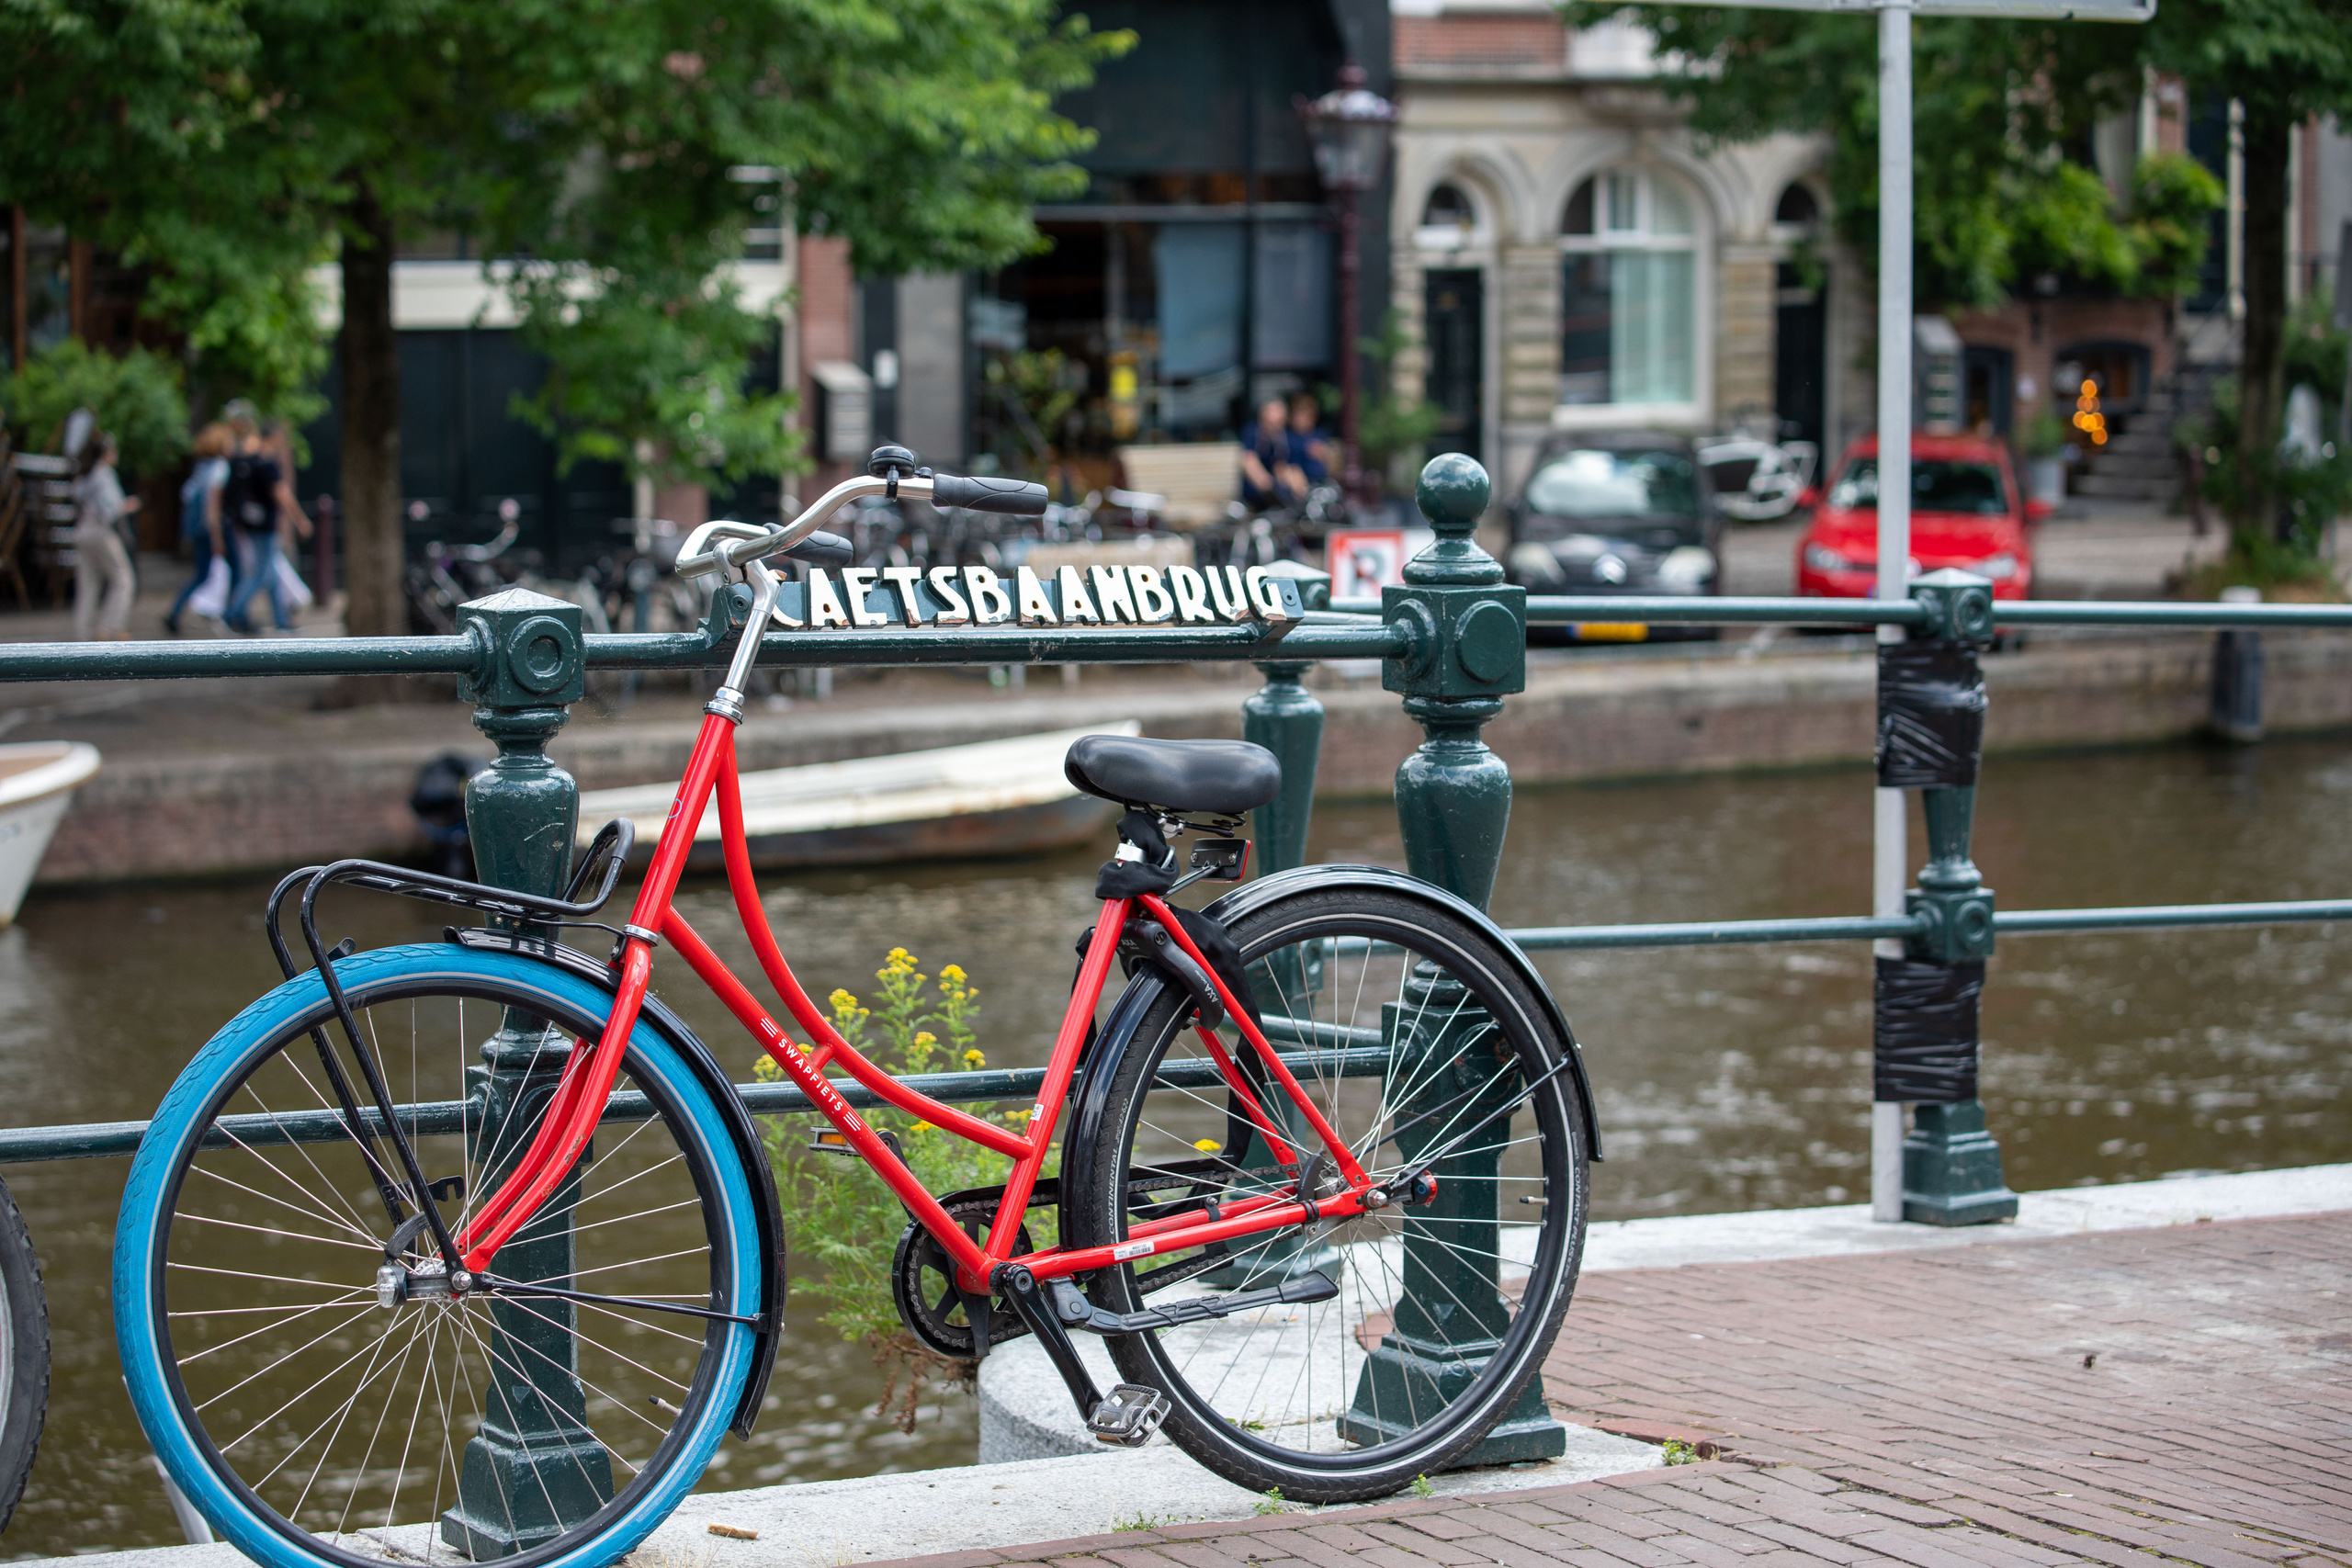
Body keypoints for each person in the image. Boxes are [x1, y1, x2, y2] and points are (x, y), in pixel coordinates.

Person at [221, 418, 311, 633]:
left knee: (270, 573)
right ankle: (232, 614)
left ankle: (281, 619)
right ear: (275, 436)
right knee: (261, 573)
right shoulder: (267, 463)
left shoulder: (251, 460)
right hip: (264, 527)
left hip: (253, 524)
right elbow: (282, 494)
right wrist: (300, 520)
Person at [164, 423, 235, 635]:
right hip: (207, 529)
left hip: (196, 528)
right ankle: (224, 613)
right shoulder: (220, 467)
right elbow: (211, 507)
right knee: (222, 572)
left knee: (201, 574)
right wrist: (217, 537)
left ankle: (176, 613)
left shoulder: (202, 467)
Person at [70, 433, 139, 640]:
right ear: (107, 453)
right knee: (123, 578)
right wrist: (130, 505)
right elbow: (113, 508)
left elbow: (76, 496)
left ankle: (82, 634)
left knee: (88, 584)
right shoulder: (105, 473)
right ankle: (111, 627)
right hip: (101, 531)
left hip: (82, 530)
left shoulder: (86, 472)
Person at [1240, 397, 1307, 510]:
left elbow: (1282, 467)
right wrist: (1273, 488)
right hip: (1255, 495)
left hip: (1276, 496)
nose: (1277, 424)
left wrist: (1299, 490)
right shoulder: (1252, 433)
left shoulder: (1282, 438)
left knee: (1295, 475)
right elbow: (1250, 463)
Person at [1287, 393, 1337, 487]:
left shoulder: (1320, 434)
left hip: (1323, 481)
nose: (1302, 419)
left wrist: (1326, 453)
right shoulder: (1288, 437)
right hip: (1301, 483)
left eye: (1306, 415)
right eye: (1299, 415)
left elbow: (1333, 464)